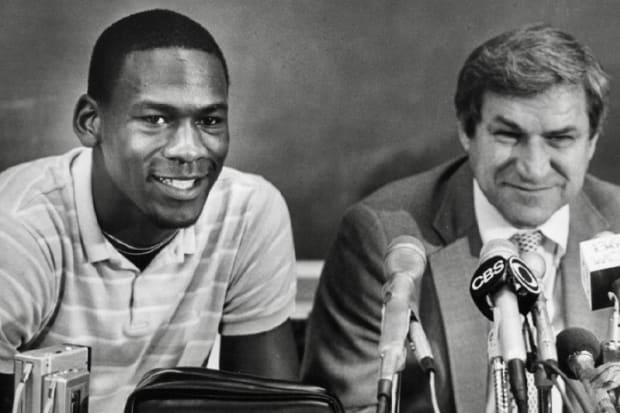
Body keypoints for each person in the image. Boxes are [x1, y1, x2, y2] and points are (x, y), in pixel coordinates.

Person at [302, 24, 620, 412]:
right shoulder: (380, 235)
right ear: (467, 132)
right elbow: (352, 407)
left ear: (592, 141)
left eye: (559, 139)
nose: (534, 169)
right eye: (508, 135)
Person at [0, 9, 299, 412]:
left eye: (209, 120)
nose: (189, 149)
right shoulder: (18, 230)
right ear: (91, 122)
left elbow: (270, 407)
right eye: (156, 119)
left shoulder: (247, 214)